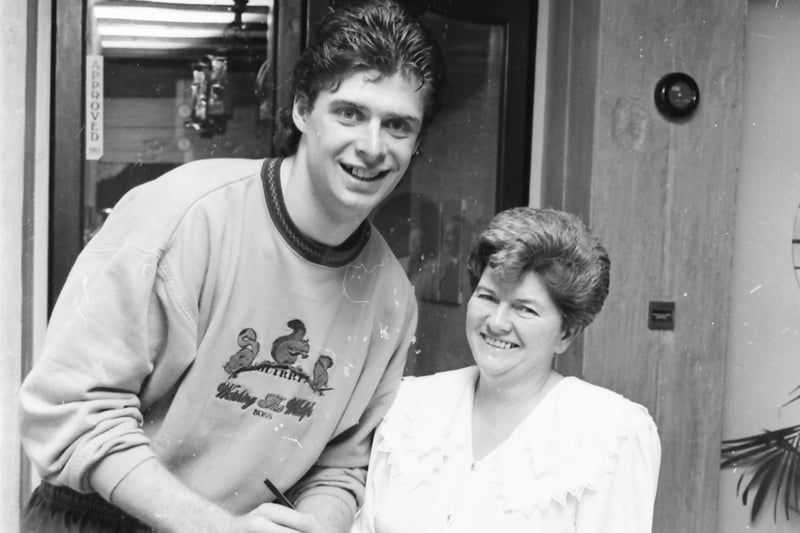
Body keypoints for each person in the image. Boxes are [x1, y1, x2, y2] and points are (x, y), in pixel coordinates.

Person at [18, 1, 444, 532]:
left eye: (398, 125)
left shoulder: (391, 297)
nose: (372, 146)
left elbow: (342, 465)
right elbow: (71, 412)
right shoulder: (182, 215)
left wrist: (314, 524)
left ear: (417, 142)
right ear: (302, 111)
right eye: (350, 113)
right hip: (99, 518)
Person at [351, 207, 661, 533]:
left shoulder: (611, 434)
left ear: (567, 333)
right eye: (487, 297)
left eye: (524, 309)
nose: (497, 323)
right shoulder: (407, 406)